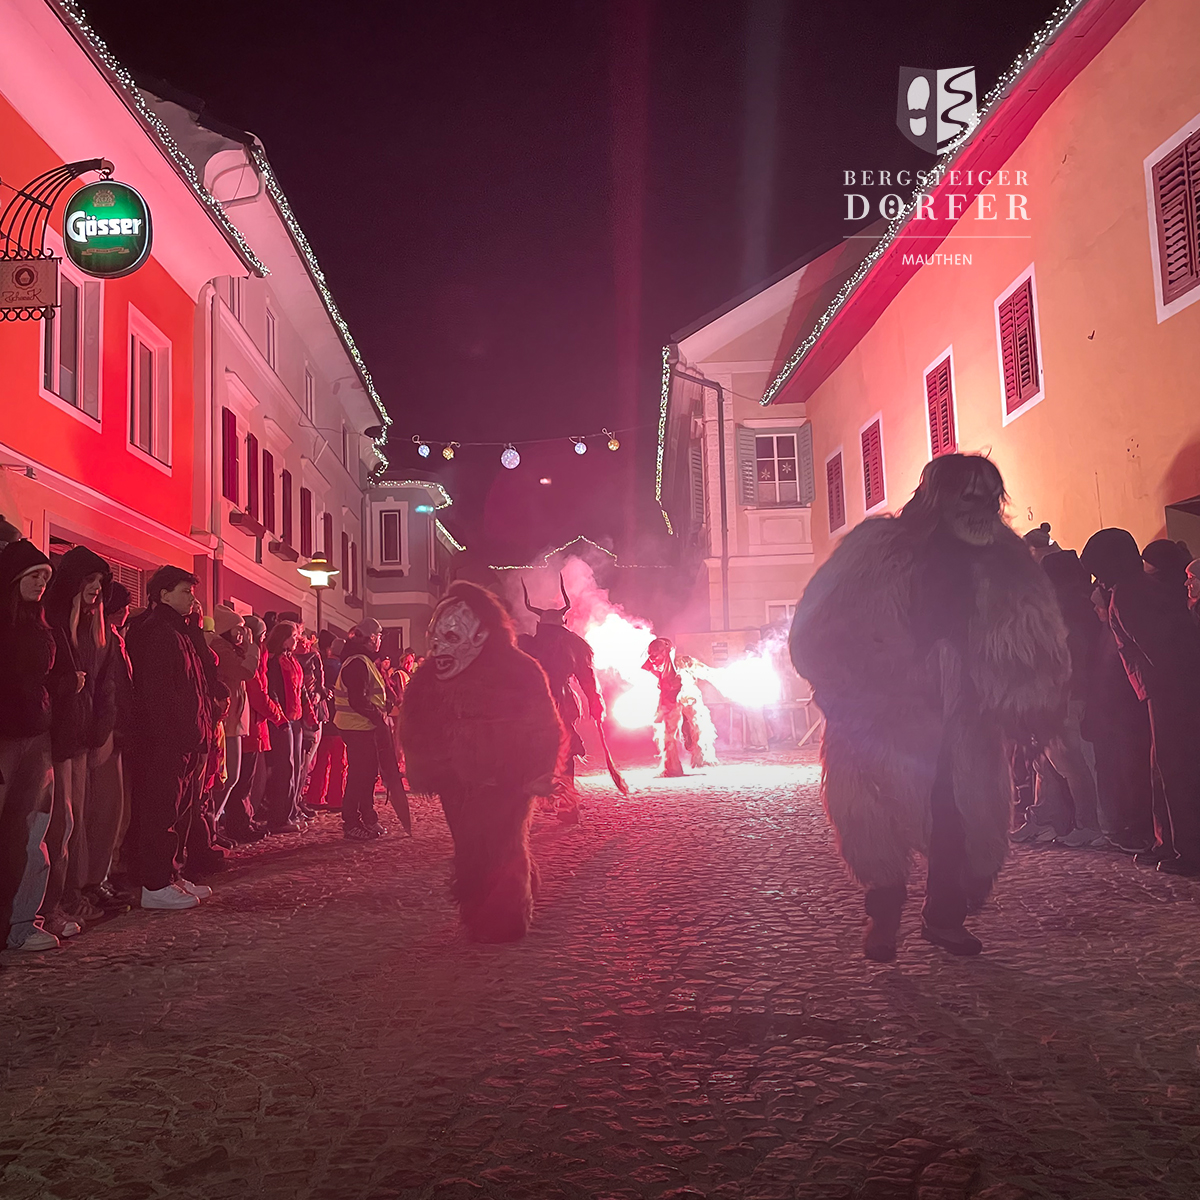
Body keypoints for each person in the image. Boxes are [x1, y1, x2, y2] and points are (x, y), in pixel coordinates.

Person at [790, 454, 1069, 961]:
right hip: (881, 711)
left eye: (991, 498)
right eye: (970, 497)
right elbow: (819, 626)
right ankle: (884, 914)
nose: (982, 509)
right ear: (939, 497)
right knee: (873, 814)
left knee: (958, 817)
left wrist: (1032, 706)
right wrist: (849, 689)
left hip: (962, 715)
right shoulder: (876, 549)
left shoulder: (1006, 560)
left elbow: (1034, 637)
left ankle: (944, 917)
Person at [400, 582, 563, 941]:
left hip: (507, 776)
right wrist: (427, 766)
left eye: (451, 636)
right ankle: (479, 910)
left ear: (481, 633)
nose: (440, 647)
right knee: (470, 845)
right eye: (436, 637)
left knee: (503, 843)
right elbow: (416, 723)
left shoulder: (520, 669)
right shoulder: (430, 677)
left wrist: (539, 771)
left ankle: (505, 918)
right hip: (456, 778)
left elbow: (543, 722)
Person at [1081, 528, 1200, 876]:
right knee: (1164, 769)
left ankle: (1187, 849)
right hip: (1167, 690)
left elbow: (1158, 652)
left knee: (1173, 770)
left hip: (1168, 692)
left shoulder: (1128, 596)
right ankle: (1171, 843)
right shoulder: (1140, 588)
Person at [124, 566, 214, 910]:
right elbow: (157, 693)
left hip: (183, 738)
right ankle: (156, 883)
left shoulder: (179, 630)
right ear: (163, 594)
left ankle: (171, 874)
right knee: (160, 812)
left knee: (178, 811)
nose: (192, 599)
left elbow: (197, 683)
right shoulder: (156, 632)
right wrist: (173, 736)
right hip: (165, 741)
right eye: (185, 592)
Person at [40, 546, 117, 931]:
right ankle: (55, 902)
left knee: (77, 820)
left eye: (100, 582)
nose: (96, 588)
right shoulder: (54, 620)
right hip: (57, 735)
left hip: (82, 735)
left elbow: (105, 685)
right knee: (61, 823)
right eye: (90, 580)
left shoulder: (95, 630)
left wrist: (101, 729)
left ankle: (72, 895)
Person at [1014, 550, 1106, 848]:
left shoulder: (1070, 608)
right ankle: (1046, 818)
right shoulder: (1064, 605)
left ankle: (1087, 824)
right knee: (1046, 760)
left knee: (1069, 762)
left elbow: (1071, 655)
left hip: (1064, 695)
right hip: (1052, 694)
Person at [0, 540, 63, 952]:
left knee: (31, 832)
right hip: (6, 736)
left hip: (36, 734)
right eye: (34, 575)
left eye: (45, 576)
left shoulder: (41, 624)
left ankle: (22, 921)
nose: (41, 582)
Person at [517, 578, 603, 817]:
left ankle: (558, 802)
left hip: (538, 704)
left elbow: (585, 676)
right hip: (550, 703)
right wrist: (594, 701)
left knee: (546, 750)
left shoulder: (528, 644)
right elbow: (586, 677)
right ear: (562, 623)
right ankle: (561, 801)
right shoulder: (569, 644)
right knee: (560, 751)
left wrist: (594, 700)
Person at [331, 618, 390, 840]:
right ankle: (352, 822)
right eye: (379, 636)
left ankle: (367, 817)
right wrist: (378, 715)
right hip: (357, 726)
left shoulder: (361, 660)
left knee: (367, 774)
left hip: (361, 726)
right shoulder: (358, 662)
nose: (380, 641)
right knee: (360, 776)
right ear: (371, 638)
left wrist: (384, 706)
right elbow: (358, 700)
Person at [223, 613, 280, 841]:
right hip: (244, 726)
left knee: (246, 780)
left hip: (249, 725)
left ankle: (245, 819)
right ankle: (239, 823)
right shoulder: (245, 655)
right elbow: (256, 690)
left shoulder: (253, 656)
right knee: (241, 781)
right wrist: (278, 716)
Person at [642, 637, 718, 776]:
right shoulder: (652, 666)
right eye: (651, 655)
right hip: (670, 699)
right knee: (668, 733)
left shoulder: (682, 662)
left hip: (688, 695)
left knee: (698, 725)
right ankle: (672, 766)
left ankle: (702, 758)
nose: (653, 659)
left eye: (656, 654)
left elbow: (705, 671)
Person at [262, 620, 304, 834]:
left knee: (295, 766)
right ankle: (279, 817)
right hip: (282, 720)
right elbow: (274, 691)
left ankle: (291, 810)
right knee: (284, 768)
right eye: (293, 637)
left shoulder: (290, 659)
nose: (296, 640)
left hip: (295, 718)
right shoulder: (275, 661)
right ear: (283, 638)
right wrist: (280, 718)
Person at [303, 631, 346, 812]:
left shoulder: (320, 665)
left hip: (320, 718)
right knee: (339, 763)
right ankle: (336, 800)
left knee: (321, 761)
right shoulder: (343, 669)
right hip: (339, 720)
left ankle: (316, 797)